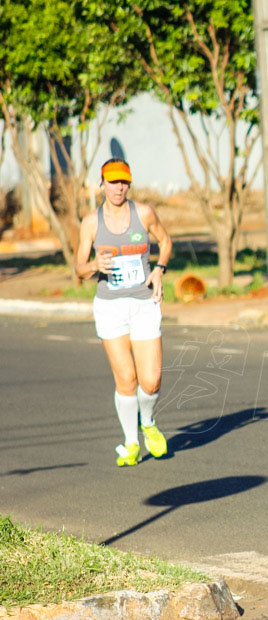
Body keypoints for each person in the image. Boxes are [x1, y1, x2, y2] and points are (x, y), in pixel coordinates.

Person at [74, 158, 173, 467]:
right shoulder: (91, 222)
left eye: (123, 182)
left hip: (143, 303)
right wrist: (93, 266)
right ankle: (131, 442)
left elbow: (166, 242)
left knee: (151, 380)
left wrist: (159, 270)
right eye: (112, 182)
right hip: (110, 307)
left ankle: (149, 423)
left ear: (129, 184)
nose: (118, 188)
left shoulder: (144, 214)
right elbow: (78, 268)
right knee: (127, 379)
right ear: (101, 184)